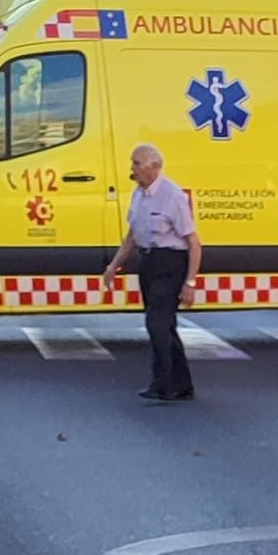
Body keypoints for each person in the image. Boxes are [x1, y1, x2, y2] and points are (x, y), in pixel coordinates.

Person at [101, 144, 201, 403]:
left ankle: (163, 383)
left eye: (137, 163)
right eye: (132, 162)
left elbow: (194, 242)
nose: (132, 169)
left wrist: (190, 282)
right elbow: (132, 237)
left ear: (154, 167)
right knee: (165, 325)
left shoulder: (173, 196)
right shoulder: (139, 195)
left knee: (156, 323)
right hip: (147, 262)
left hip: (170, 263)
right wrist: (114, 266)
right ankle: (183, 385)